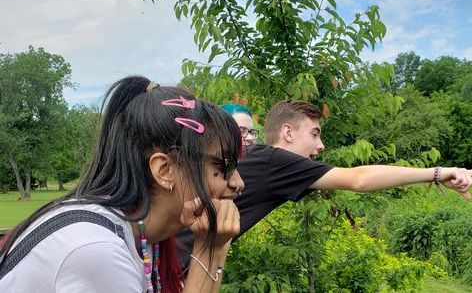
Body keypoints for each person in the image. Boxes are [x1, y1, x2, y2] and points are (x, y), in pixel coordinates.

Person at [0, 76, 245, 293]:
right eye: (223, 165)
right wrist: (209, 249)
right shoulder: (96, 250)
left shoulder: (136, 236)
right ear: (164, 170)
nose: (238, 183)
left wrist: (215, 245)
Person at [177, 100, 472, 270]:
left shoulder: (257, 159)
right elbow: (358, 179)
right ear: (288, 132)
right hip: (178, 266)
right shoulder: (274, 159)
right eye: (315, 134)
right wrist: (437, 173)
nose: (320, 145)